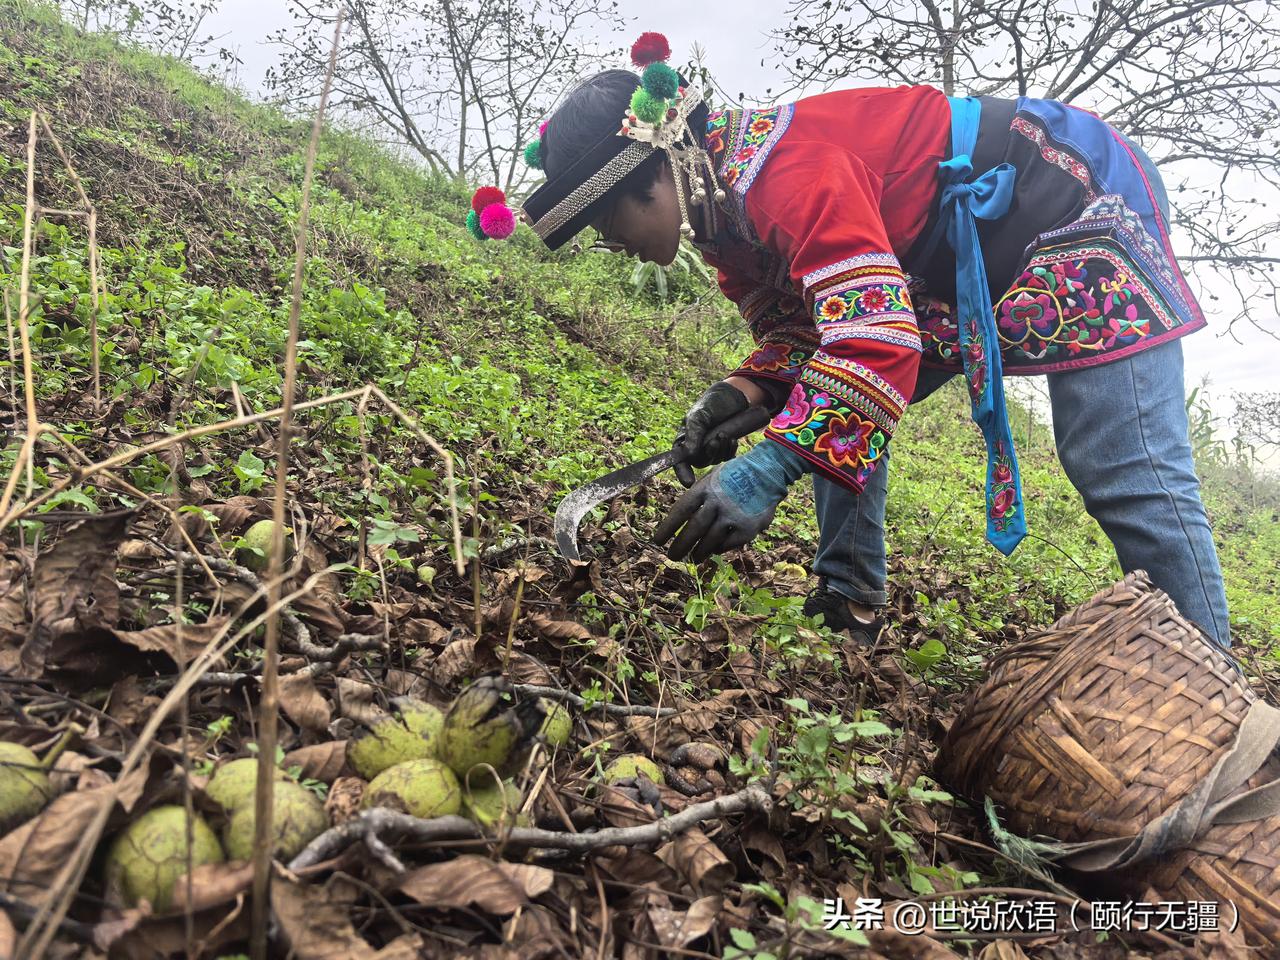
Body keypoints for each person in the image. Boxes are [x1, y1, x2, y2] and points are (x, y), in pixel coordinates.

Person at [502, 32, 1231, 649]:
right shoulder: (724, 224)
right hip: (942, 260)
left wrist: (769, 469)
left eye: (605, 222)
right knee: (832, 387)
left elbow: (872, 341)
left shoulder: (783, 173)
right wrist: (743, 393)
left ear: (656, 174)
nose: (611, 243)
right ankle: (846, 599)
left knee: (1121, 465)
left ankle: (1213, 696)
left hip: (1069, 188)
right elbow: (809, 336)